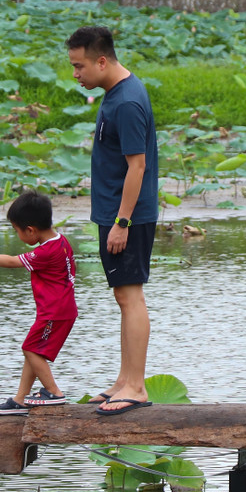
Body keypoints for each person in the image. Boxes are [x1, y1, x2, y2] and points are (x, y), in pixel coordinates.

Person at [66, 25, 158, 416]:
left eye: (79, 66)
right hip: (114, 212)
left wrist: (122, 221)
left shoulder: (126, 102)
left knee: (131, 296)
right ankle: (123, 380)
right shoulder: (116, 94)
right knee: (124, 296)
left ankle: (135, 386)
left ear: (101, 61)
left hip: (127, 217)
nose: (76, 74)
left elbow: (136, 167)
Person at [0, 191, 78, 416]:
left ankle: (53, 392)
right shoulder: (61, 241)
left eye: (17, 230)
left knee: (30, 349)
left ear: (30, 230)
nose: (17, 235)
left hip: (54, 312)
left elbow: (12, 261)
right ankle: (20, 400)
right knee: (33, 352)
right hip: (60, 310)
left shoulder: (47, 251)